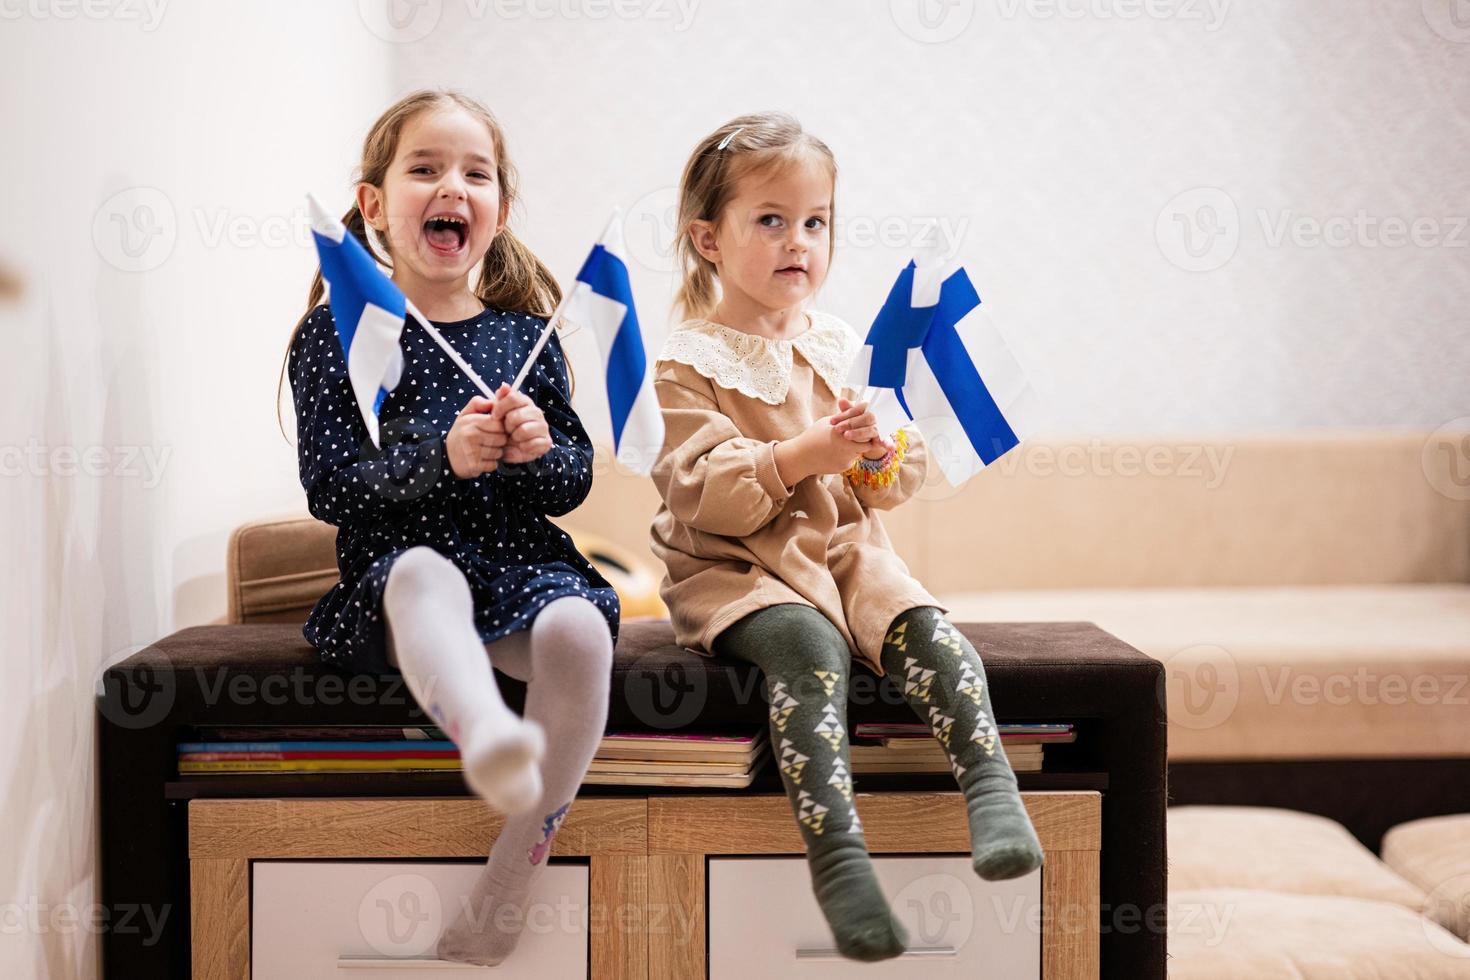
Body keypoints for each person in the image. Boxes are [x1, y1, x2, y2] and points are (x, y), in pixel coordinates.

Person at [648, 111, 1044, 962]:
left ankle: (991, 787)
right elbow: (698, 492)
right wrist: (804, 453)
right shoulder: (686, 361)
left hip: (842, 547)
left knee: (924, 626)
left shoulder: (841, 347)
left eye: (816, 222)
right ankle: (839, 858)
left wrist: (875, 448)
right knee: (806, 647)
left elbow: (889, 489)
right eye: (772, 220)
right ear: (709, 240)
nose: (800, 241)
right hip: (736, 565)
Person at [281, 89, 618, 967]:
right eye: (424, 169)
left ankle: (510, 877)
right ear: (374, 205)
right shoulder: (339, 334)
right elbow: (329, 486)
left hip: (517, 567)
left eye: (476, 174)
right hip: (405, 574)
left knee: (582, 629)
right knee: (423, 570)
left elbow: (572, 482)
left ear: (499, 210)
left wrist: (537, 450)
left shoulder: (524, 338)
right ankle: (485, 732)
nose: (451, 188)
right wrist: (443, 458)